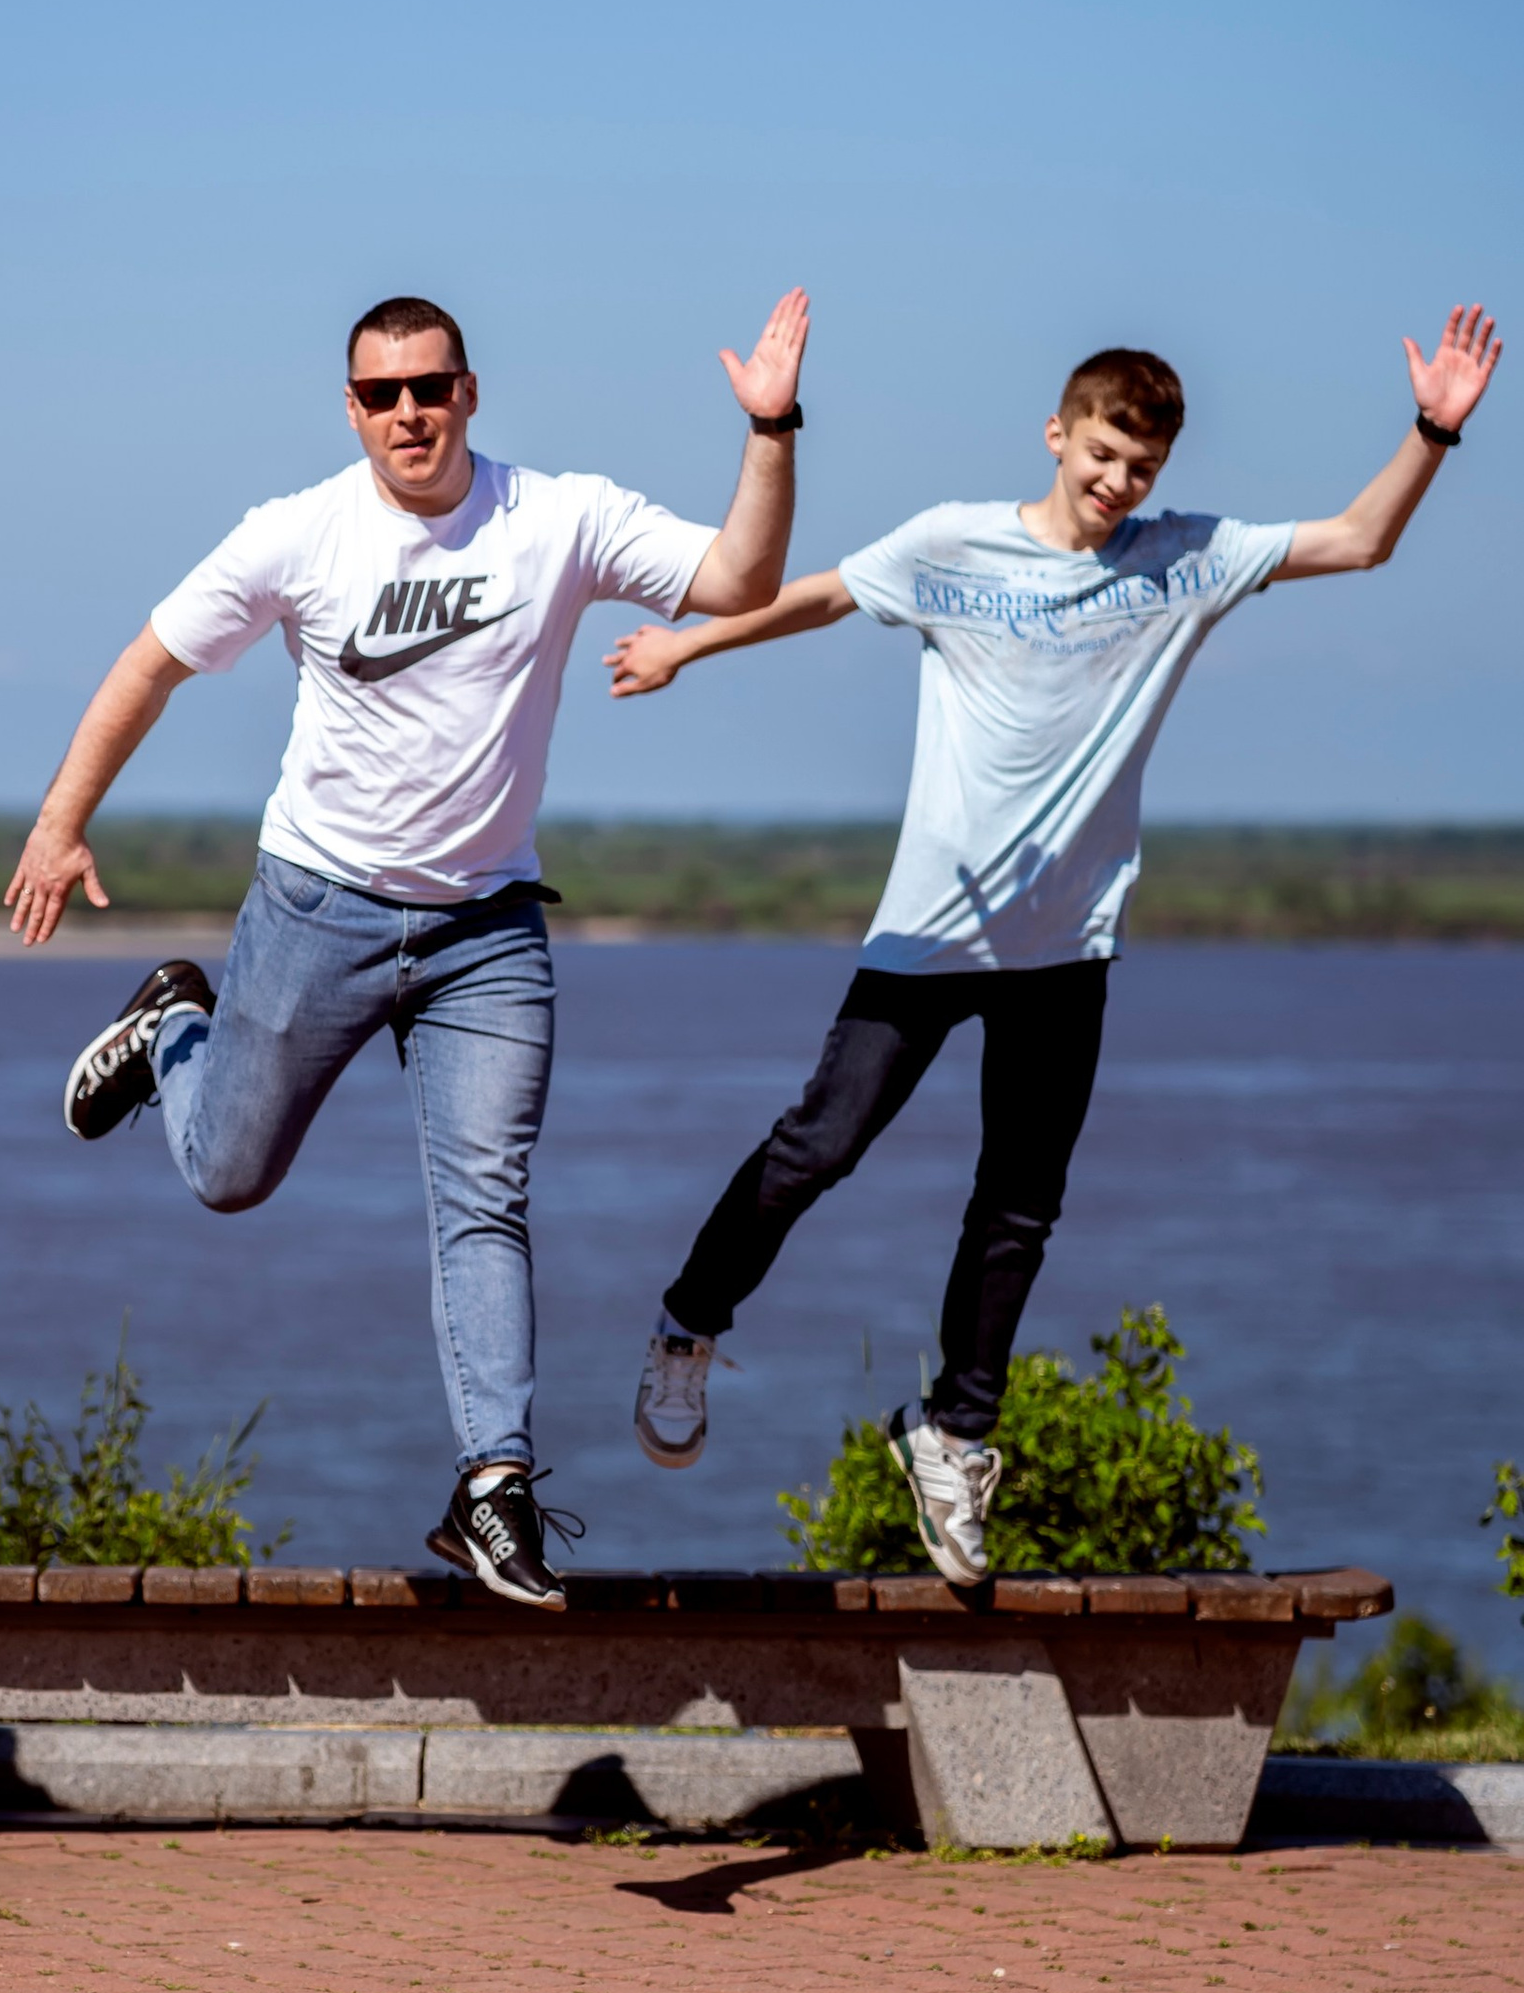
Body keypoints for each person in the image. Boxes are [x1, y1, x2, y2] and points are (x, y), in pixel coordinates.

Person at [611, 308, 1503, 1585]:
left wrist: (1431, 431)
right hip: (928, 931)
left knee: (1019, 1206)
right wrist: (691, 642)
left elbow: (1358, 540)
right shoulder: (950, 542)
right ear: (1057, 433)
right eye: (1099, 454)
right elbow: (819, 592)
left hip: (1064, 947)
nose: (1115, 483)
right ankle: (688, 1326)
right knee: (817, 1146)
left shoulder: (1181, 561)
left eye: (1139, 467)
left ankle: (954, 1437)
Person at [3, 285, 811, 1607]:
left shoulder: (556, 516)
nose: (410, 413)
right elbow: (149, 662)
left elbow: (741, 579)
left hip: (487, 933)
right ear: (352, 408)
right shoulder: (298, 535)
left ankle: (493, 1489)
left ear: (470, 392)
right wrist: (60, 823)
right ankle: (174, 1029)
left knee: (484, 1200)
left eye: (431, 387)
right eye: (382, 395)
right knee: (224, 1174)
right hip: (317, 911)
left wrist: (772, 429)